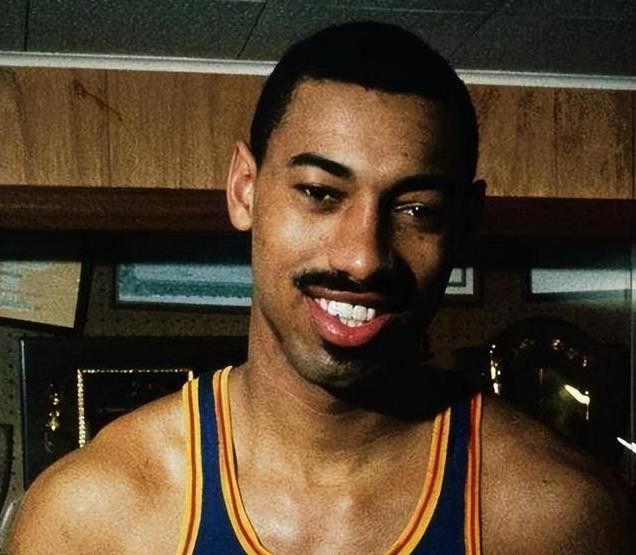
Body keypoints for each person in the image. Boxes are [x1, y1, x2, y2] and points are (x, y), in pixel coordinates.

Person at [6, 21, 634, 555]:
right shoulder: (93, 518)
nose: (363, 259)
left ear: (465, 225)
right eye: (320, 193)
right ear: (244, 190)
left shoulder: (556, 519)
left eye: (417, 210)